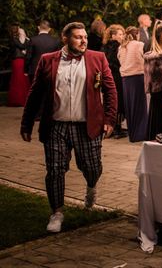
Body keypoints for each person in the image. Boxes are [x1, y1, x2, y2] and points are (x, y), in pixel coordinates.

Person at [20, 22, 117, 233]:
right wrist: (26, 123)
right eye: (78, 37)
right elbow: (35, 94)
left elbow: (110, 90)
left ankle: (91, 187)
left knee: (92, 167)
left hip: (87, 126)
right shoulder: (48, 61)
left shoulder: (97, 59)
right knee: (54, 170)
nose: (84, 41)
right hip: (56, 126)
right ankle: (57, 212)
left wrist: (109, 119)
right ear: (65, 39)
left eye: (85, 37)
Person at [117, 26, 148, 141]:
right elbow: (144, 58)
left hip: (125, 79)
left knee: (130, 106)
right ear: (137, 34)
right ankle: (140, 134)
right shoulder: (139, 45)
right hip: (137, 77)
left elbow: (120, 61)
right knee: (139, 106)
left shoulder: (121, 47)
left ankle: (133, 133)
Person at [102, 24, 126, 138]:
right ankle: (117, 129)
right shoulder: (117, 46)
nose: (122, 36)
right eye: (120, 34)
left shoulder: (105, 46)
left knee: (110, 101)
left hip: (108, 76)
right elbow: (115, 62)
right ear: (113, 35)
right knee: (118, 101)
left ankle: (112, 127)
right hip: (117, 76)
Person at [7, 23, 30, 107]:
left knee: (21, 79)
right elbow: (22, 46)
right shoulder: (14, 39)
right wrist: (27, 40)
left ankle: (22, 99)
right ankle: (18, 100)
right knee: (18, 79)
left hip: (20, 60)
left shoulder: (15, 38)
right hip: (18, 60)